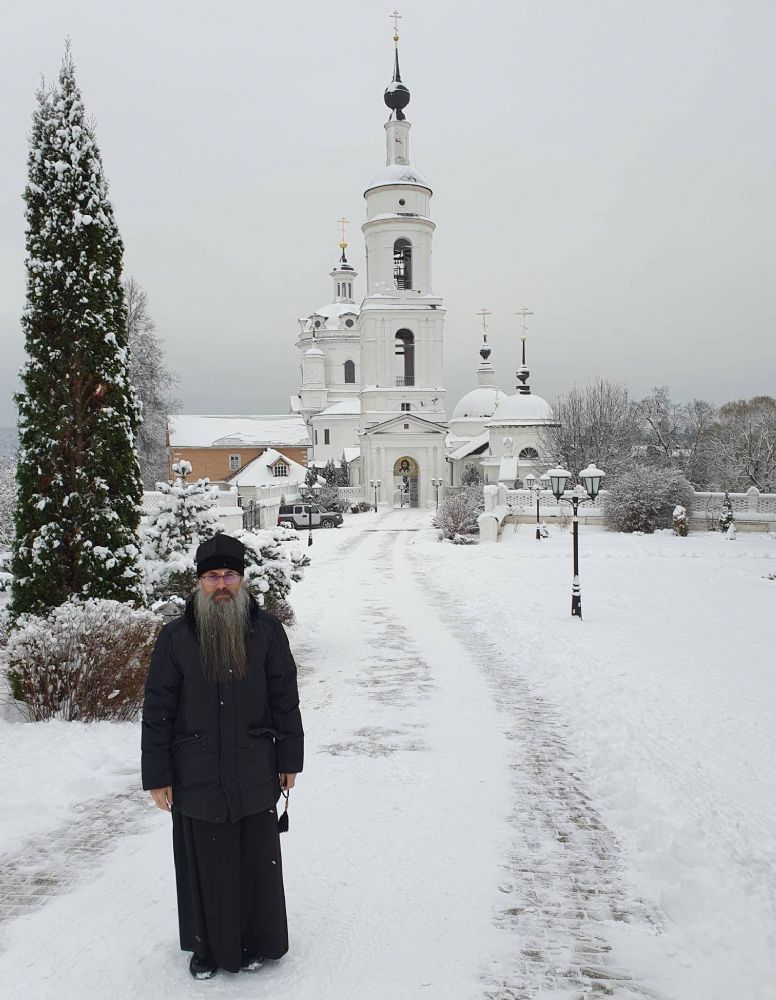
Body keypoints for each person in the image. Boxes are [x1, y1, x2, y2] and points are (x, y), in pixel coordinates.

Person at [141, 534, 304, 980]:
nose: (221, 584)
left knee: (255, 862)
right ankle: (205, 948)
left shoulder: (268, 632)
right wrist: (158, 775)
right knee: (207, 865)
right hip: (195, 771)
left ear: (243, 579)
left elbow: (285, 700)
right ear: (199, 583)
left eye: (229, 575)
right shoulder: (175, 637)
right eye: (212, 577)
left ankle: (258, 941)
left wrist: (289, 760)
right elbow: (157, 709)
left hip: (254, 764)